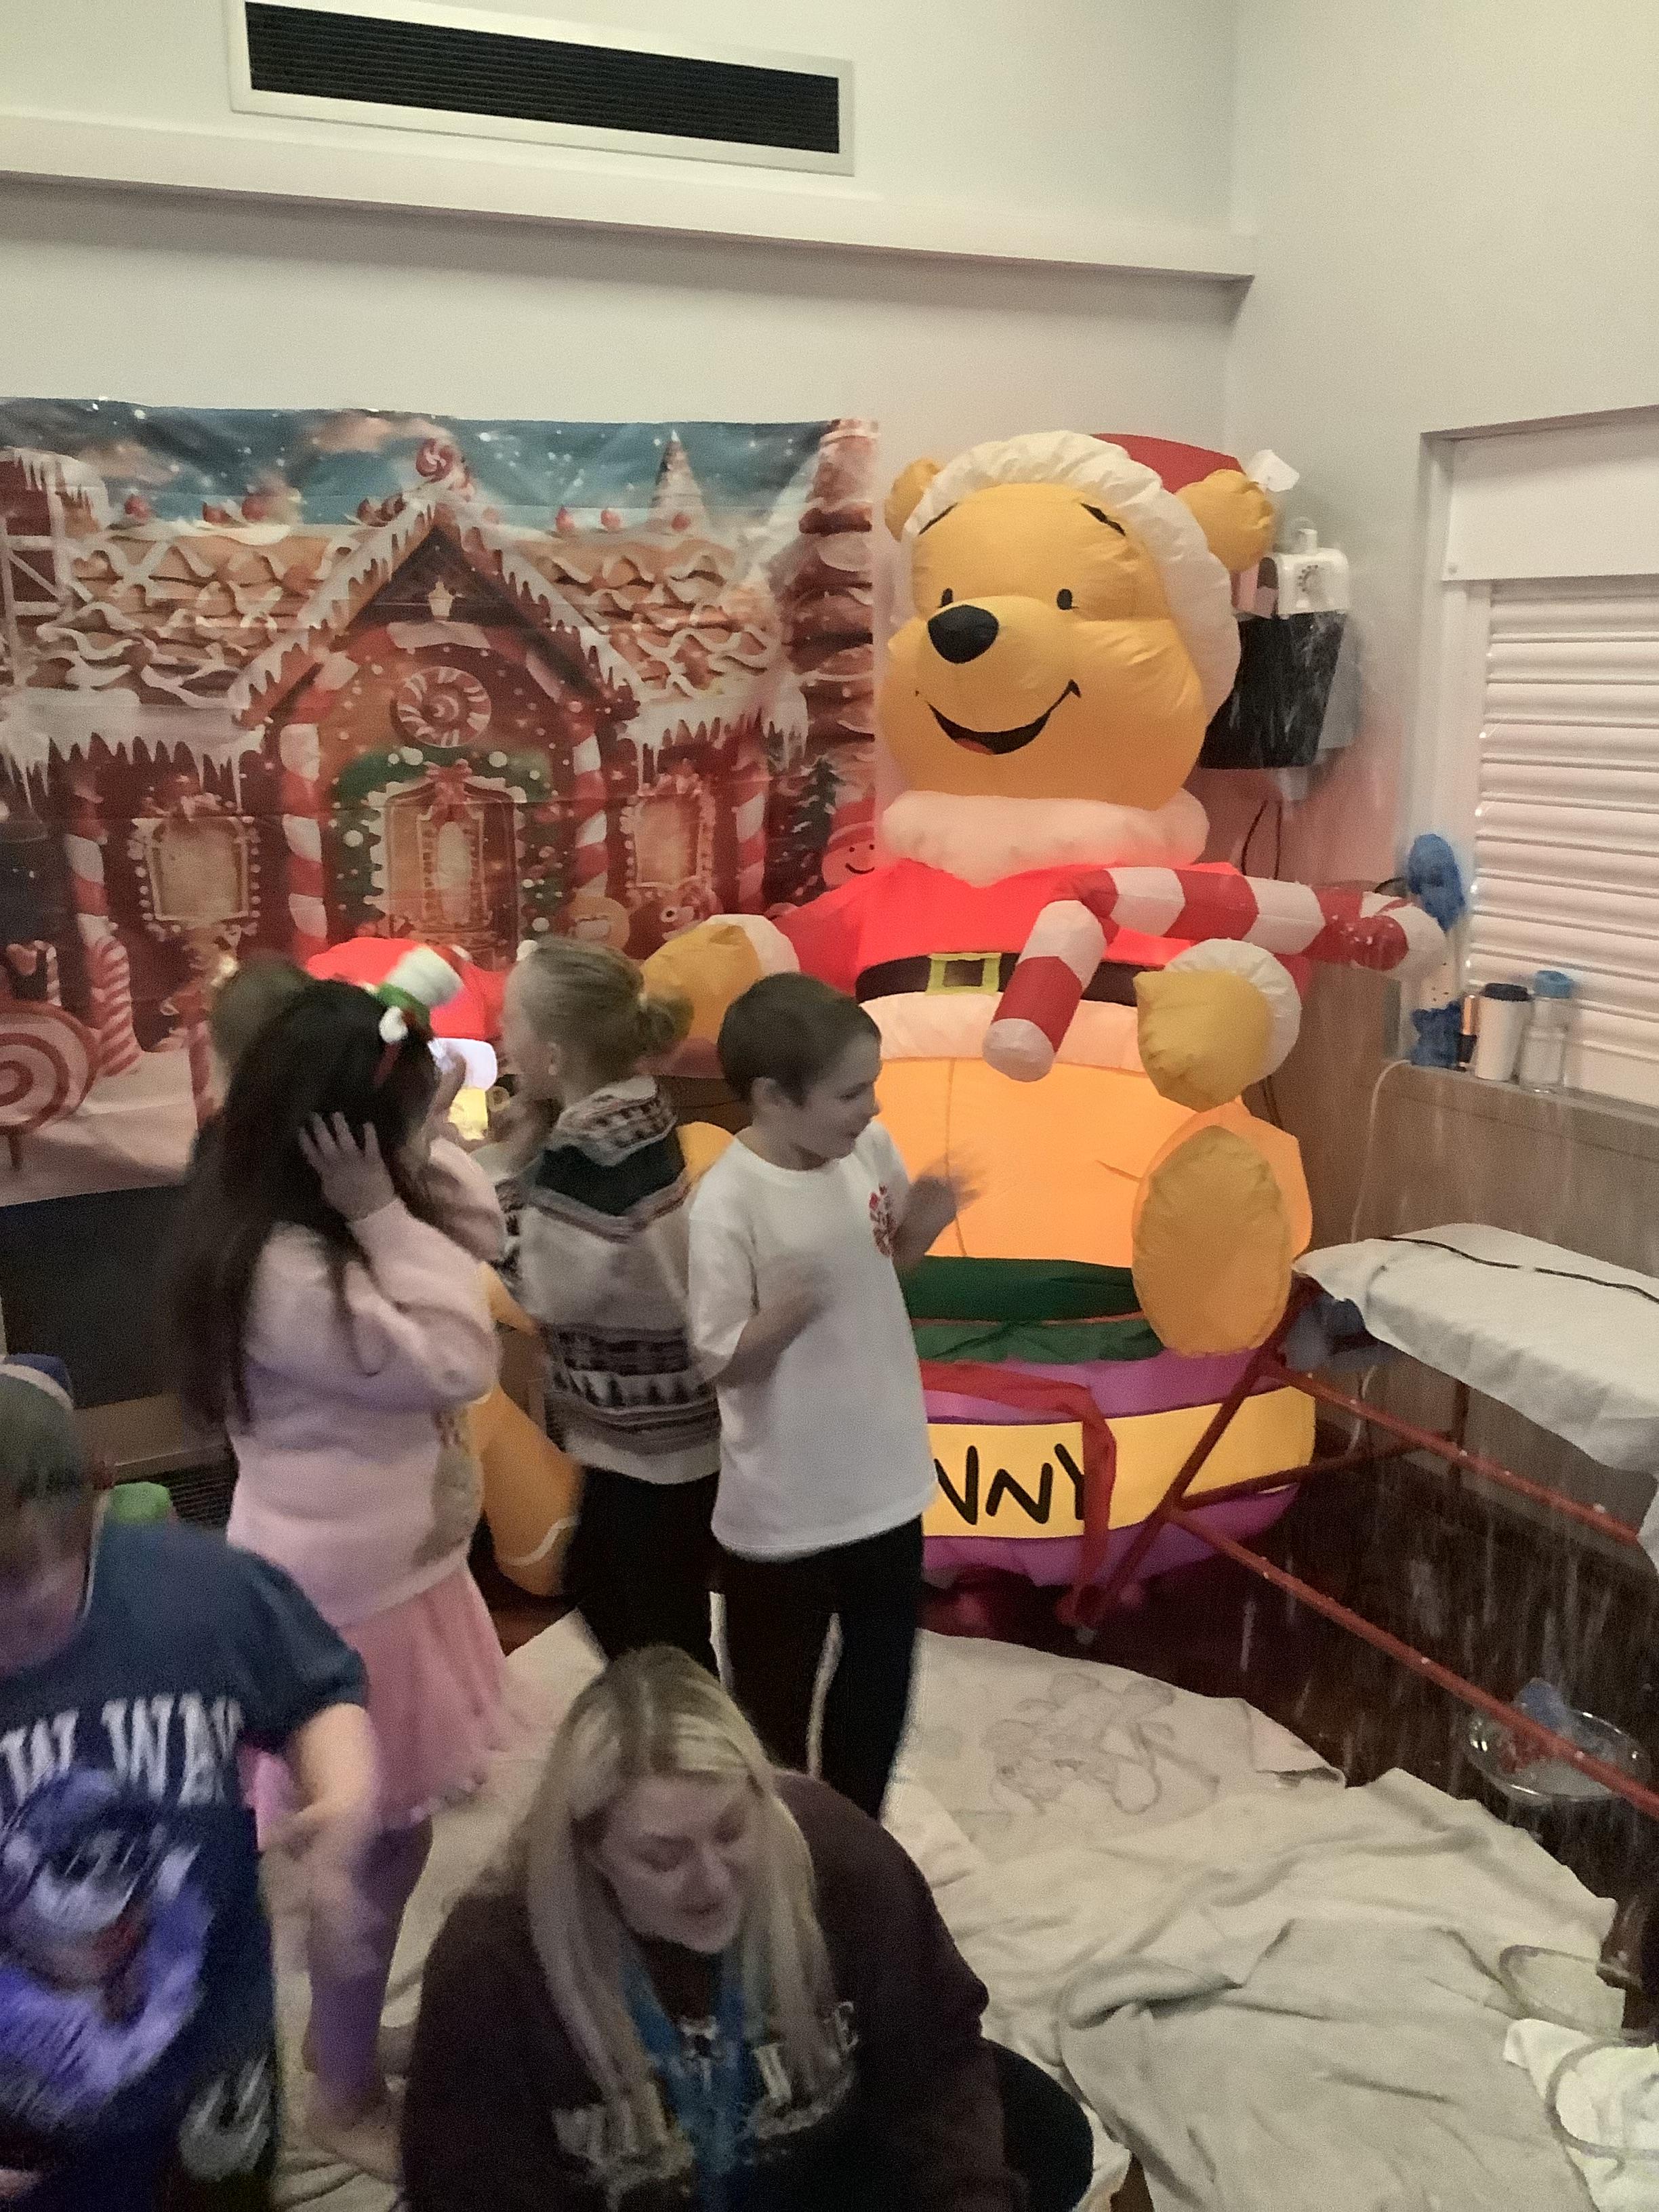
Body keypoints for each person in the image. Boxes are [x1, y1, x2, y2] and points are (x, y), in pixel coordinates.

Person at [167, 951, 506, 2182]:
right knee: (363, 1847)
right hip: (347, 1603)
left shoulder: (307, 1215)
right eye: (405, 1118)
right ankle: (341, 2086)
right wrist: (382, 1210)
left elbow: (482, 1233)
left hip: (392, 1576)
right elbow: (462, 1355)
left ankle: (342, 2040)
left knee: (389, 1838)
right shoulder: (285, 1268)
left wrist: (408, 1165)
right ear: (336, 1144)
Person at [403, 1645, 1092, 2212]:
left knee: (1041, 2131)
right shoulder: (492, 1958)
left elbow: (935, 2055)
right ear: (593, 1855)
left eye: (732, 1831)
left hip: (814, 2170)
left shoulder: (843, 1859)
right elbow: (469, 2185)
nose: (711, 1881)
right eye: (663, 1857)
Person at [0, 1360, 378, 2211]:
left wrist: (342, 1803)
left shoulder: (197, 1593)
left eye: (26, 1597)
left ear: (94, 1510)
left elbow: (318, 1690)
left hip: (212, 2062)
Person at [687, 973, 971, 1820]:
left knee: (881, 1674)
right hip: (786, 1506)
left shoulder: (867, 1151)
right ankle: (775, 1843)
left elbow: (887, 1262)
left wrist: (924, 1225)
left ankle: (855, 1831)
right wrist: (781, 1319)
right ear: (773, 1098)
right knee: (771, 1697)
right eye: (851, 1093)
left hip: (886, 1477)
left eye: (871, 1086)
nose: (872, 1108)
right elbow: (717, 1359)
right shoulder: (728, 1202)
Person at [489, 941, 722, 1673]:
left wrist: (500, 1181)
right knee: (638, 1599)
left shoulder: (581, 1149)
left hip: (642, 1436)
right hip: (676, 1414)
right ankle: (674, 1717)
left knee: (648, 1623)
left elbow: (544, 1293)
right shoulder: (640, 1103)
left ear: (554, 1056)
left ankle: (688, 1728)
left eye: (510, 1020)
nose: (499, 1033)